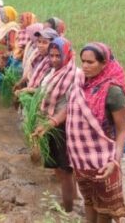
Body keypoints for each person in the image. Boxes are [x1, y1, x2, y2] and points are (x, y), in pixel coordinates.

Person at [66, 43, 125, 222]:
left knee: (105, 209)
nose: (85, 66)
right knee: (89, 201)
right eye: (83, 61)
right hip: (82, 161)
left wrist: (114, 162)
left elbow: (122, 130)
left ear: (104, 63)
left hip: (104, 162)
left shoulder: (113, 92)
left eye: (90, 62)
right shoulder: (81, 84)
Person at [30, 37, 82, 213]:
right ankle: (73, 199)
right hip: (50, 125)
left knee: (66, 170)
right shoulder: (53, 72)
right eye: (51, 56)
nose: (53, 59)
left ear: (67, 55)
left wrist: (50, 123)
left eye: (57, 56)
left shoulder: (75, 75)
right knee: (59, 169)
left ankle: (67, 211)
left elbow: (70, 107)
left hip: (64, 128)